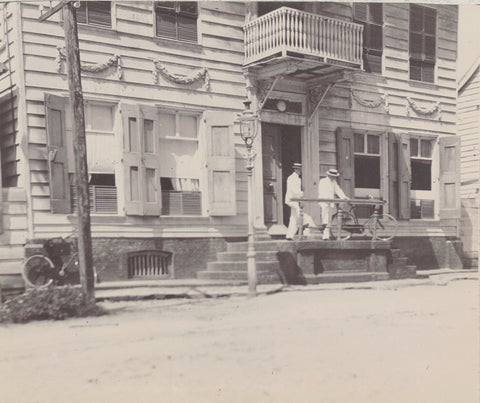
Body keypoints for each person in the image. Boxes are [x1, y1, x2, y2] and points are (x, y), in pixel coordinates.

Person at [285, 163, 315, 240]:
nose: (300, 171)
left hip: (295, 199)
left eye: (300, 169)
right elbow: (294, 189)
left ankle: (289, 235)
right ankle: (306, 223)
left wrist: (300, 196)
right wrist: (301, 194)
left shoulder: (298, 178)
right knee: (299, 212)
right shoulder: (291, 178)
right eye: (299, 169)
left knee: (293, 218)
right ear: (295, 169)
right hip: (291, 199)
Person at [318, 168, 349, 240]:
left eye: (334, 176)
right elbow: (321, 191)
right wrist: (326, 199)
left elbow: (338, 190)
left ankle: (326, 235)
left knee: (329, 219)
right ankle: (324, 233)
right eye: (332, 176)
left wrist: (344, 197)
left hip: (331, 203)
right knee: (325, 217)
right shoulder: (323, 181)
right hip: (324, 202)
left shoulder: (334, 182)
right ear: (329, 175)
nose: (334, 178)